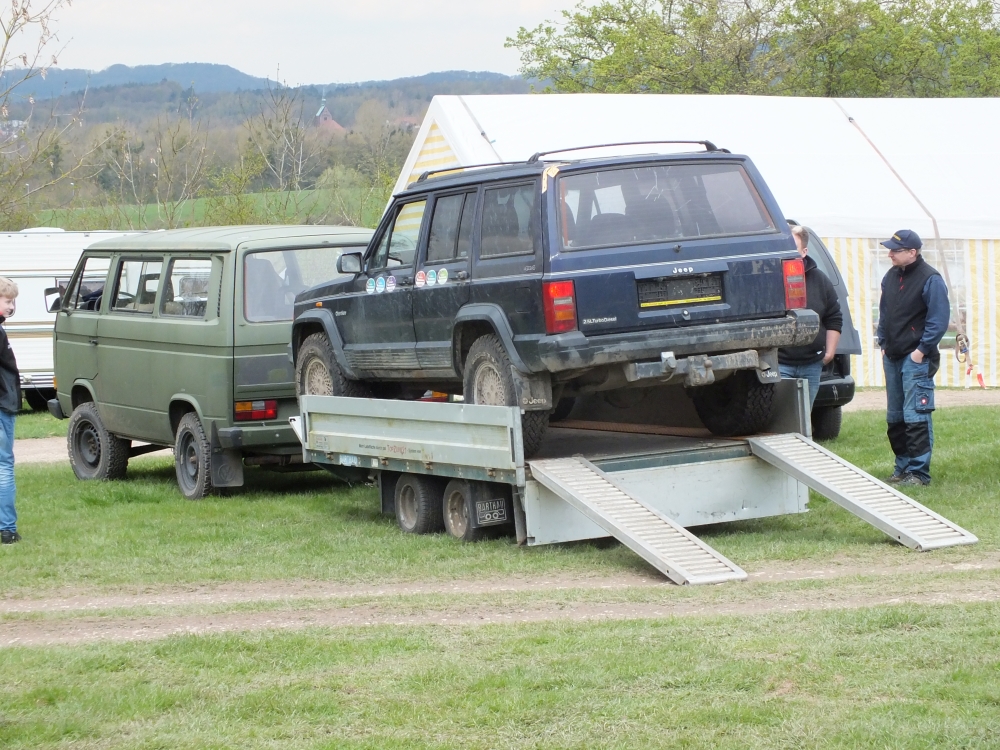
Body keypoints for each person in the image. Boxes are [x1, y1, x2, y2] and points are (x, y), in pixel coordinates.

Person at [876, 229, 949, 487]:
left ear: (912, 252)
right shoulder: (890, 276)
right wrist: (882, 342)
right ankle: (902, 467)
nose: (890, 254)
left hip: (915, 357)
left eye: (895, 250)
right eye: (890, 249)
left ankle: (919, 473)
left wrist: (920, 351)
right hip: (892, 354)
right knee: (895, 416)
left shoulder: (931, 279)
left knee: (916, 414)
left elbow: (938, 321)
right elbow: (884, 313)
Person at [778, 225, 842, 409]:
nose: (787, 252)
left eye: (793, 247)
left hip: (811, 364)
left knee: (804, 414)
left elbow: (834, 317)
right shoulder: (769, 279)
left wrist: (829, 353)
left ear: (804, 252)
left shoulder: (820, 280)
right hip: (779, 363)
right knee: (782, 415)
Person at [0, 277, 20, 544]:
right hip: (2, 406)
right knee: (4, 464)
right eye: (7, 301)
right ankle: (7, 528)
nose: (11, 306)